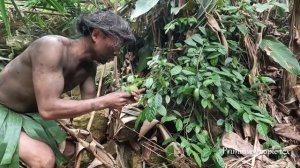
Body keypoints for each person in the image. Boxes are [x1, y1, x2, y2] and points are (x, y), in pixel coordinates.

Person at [0, 10, 140, 168]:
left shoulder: (89, 68)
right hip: (2, 112)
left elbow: (91, 104)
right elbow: (48, 110)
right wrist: (106, 101)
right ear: (96, 35)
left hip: (27, 116)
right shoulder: (51, 47)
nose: (117, 52)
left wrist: (121, 97)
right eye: (117, 43)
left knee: (70, 152)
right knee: (43, 160)